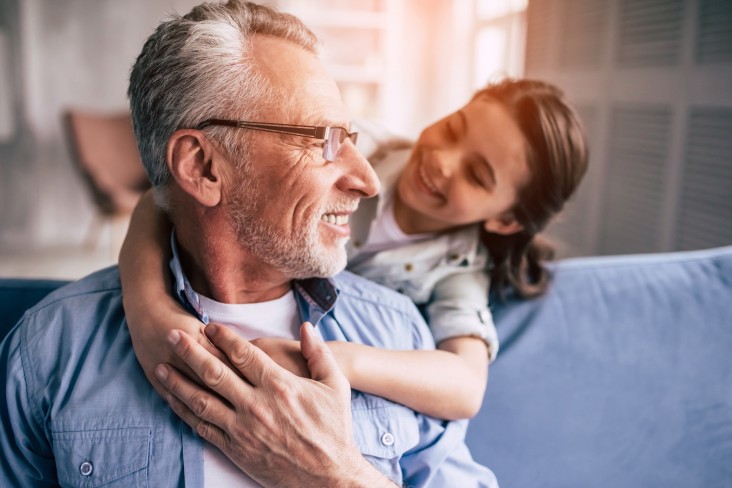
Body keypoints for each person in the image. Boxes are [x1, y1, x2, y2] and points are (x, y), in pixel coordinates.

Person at [0, 1, 498, 487]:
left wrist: (334, 475)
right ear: (202, 167)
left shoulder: (397, 333)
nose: (368, 182)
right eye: (323, 140)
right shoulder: (52, 350)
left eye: (350, 137)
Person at [120, 78, 589, 420]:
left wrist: (338, 359)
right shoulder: (359, 144)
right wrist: (149, 311)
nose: (443, 161)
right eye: (453, 128)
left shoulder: (459, 270)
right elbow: (162, 198)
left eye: (477, 175)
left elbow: (465, 387)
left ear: (505, 220)